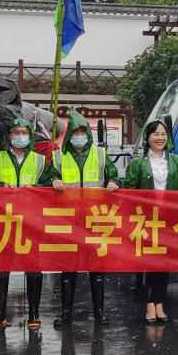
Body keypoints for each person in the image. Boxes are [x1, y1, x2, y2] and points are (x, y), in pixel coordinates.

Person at [0, 117, 59, 330]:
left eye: (23, 132)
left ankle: (34, 314)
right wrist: (0, 185)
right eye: (15, 132)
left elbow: (50, 180)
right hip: (3, 221)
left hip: (31, 222)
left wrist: (52, 182)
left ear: (30, 136)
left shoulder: (40, 160)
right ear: (9, 136)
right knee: (0, 269)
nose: (19, 136)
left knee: (34, 268)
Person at [125, 118, 178, 323]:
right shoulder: (138, 163)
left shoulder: (175, 161)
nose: (160, 137)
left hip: (168, 220)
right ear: (147, 138)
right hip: (146, 220)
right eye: (155, 134)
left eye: (163, 134)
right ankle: (150, 304)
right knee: (150, 263)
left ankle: (160, 303)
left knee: (164, 263)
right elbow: (129, 190)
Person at [52, 110, 119, 329]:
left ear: (88, 134)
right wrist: (53, 180)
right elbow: (46, 179)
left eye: (82, 132)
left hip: (94, 219)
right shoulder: (58, 157)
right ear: (69, 134)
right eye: (75, 132)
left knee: (96, 268)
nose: (79, 135)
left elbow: (113, 175)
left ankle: (100, 313)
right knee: (67, 268)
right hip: (68, 220)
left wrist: (113, 182)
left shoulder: (100, 154)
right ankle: (65, 314)